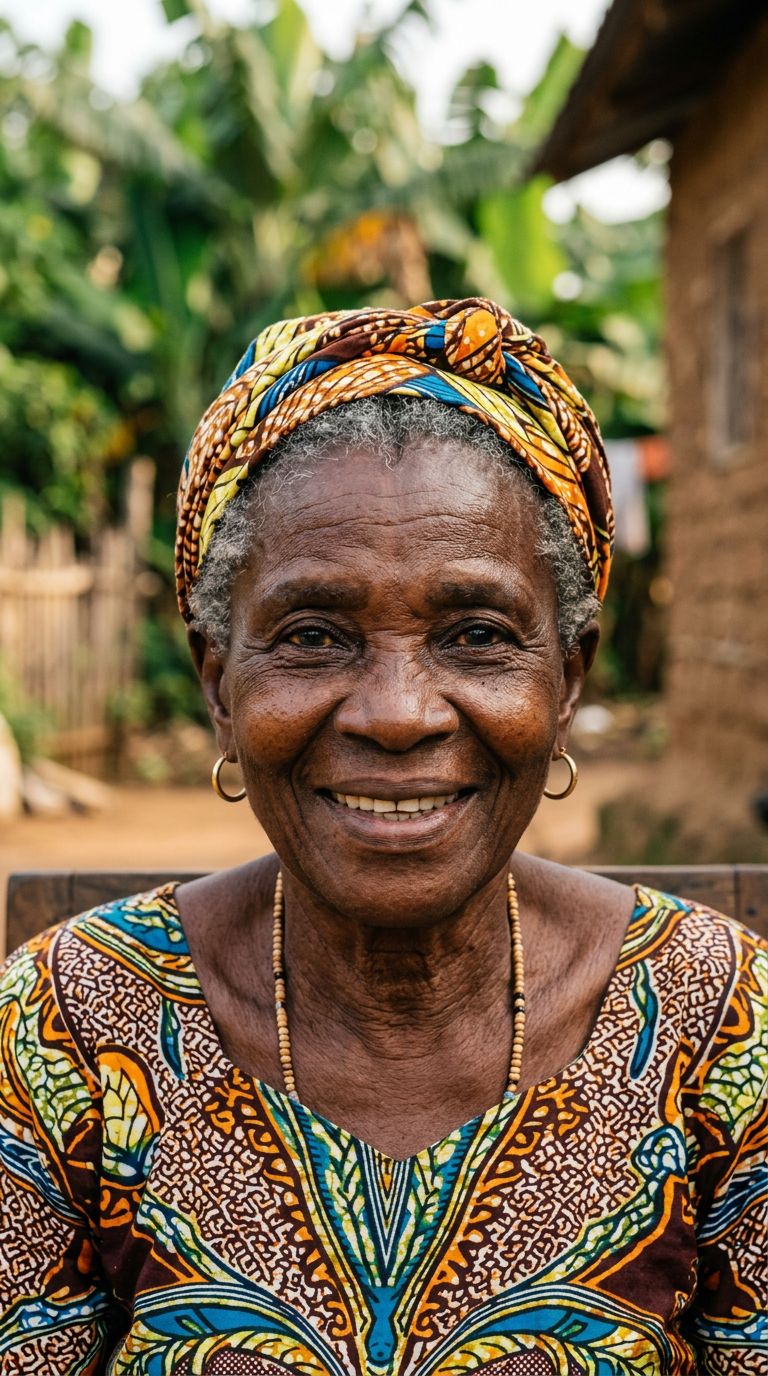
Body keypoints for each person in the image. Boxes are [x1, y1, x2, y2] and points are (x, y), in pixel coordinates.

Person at [1, 298, 765, 1375]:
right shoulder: (67, 1027)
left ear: (567, 681)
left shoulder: (722, 1024)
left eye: (477, 635)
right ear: (219, 687)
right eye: (313, 636)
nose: (398, 714)